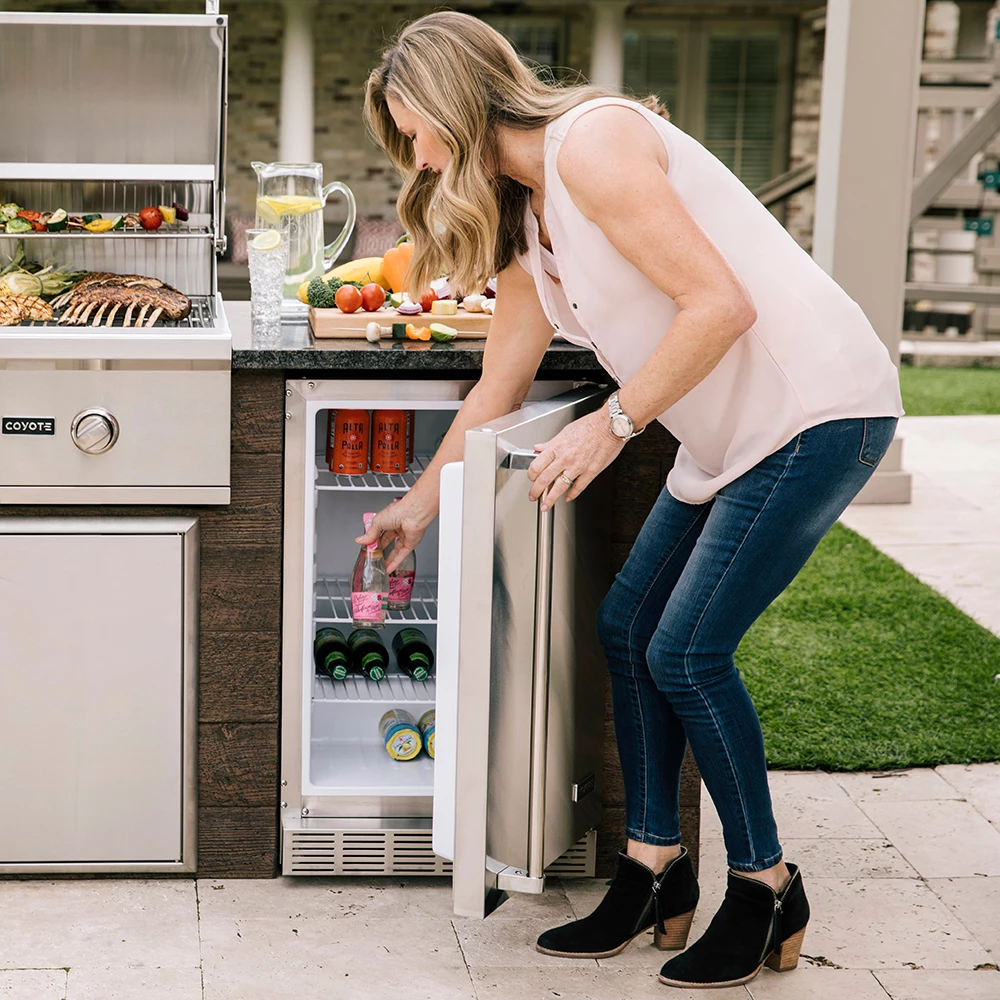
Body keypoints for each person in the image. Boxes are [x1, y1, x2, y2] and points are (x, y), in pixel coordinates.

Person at [359, 11, 902, 990]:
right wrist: (416, 505)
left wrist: (610, 425)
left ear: (451, 100)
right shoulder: (527, 219)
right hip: (731, 432)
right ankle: (655, 870)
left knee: (686, 649)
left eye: (414, 125)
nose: (416, 152)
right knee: (629, 627)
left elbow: (720, 305)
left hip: (813, 407)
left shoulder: (593, 143)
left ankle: (765, 883)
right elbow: (497, 390)